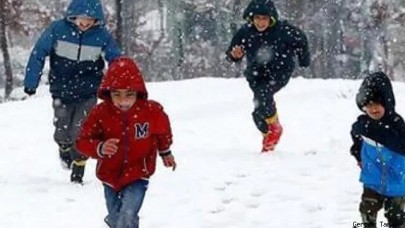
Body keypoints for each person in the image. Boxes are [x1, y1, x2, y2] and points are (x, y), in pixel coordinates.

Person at [23, 0, 122, 183]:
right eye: (82, 19)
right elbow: (38, 53)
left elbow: (116, 60)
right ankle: (64, 147)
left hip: (89, 92)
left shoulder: (102, 36)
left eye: (90, 20)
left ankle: (79, 165)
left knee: (82, 130)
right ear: (73, 16)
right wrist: (31, 82)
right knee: (62, 130)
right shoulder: (58, 30)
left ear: (97, 20)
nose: (85, 23)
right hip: (61, 90)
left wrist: (119, 85)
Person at [75, 56, 176, 228]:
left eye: (129, 94)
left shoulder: (151, 111)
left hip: (138, 172)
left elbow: (163, 131)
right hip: (109, 174)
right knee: (116, 218)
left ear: (138, 92)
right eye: (117, 95)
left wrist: (165, 151)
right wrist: (100, 147)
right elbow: (82, 141)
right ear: (108, 93)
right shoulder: (100, 113)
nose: (123, 101)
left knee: (128, 214)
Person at [226, 0, 310, 152]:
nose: (260, 22)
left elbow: (301, 40)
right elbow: (232, 52)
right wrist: (234, 55)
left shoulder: (284, 30)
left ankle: (275, 129)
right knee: (258, 111)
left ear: (271, 19)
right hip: (256, 74)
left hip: (279, 71)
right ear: (251, 18)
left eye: (264, 19)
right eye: (257, 18)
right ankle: (268, 133)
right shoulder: (245, 32)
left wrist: (304, 60)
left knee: (264, 95)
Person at [350, 71, 405, 228]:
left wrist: (380, 133)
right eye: (368, 105)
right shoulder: (363, 124)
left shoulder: (396, 123)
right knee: (367, 209)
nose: (373, 109)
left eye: (377, 105)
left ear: (386, 103)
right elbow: (356, 137)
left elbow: (401, 146)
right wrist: (357, 155)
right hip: (372, 178)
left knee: (395, 216)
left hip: (396, 180)